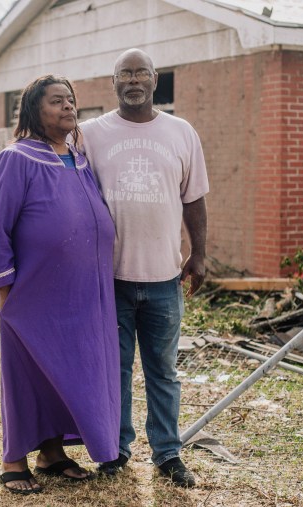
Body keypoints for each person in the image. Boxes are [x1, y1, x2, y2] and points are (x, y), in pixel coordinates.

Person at [0, 75, 120, 495]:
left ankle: (52, 454)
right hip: (32, 294)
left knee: (66, 371)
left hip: (84, 293)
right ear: (35, 111)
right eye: (57, 101)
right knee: (27, 375)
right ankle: (13, 462)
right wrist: (3, 289)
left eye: (71, 100)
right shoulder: (16, 159)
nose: (68, 107)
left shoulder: (79, 158)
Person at [80, 48, 209, 488]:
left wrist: (200, 253)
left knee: (163, 372)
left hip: (164, 278)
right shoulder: (90, 133)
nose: (133, 80)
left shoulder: (181, 132)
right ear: (112, 82)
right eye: (124, 73)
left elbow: (194, 198)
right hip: (108, 278)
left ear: (156, 80)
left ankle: (168, 454)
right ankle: (116, 451)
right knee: (113, 371)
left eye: (141, 73)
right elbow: (41, 146)